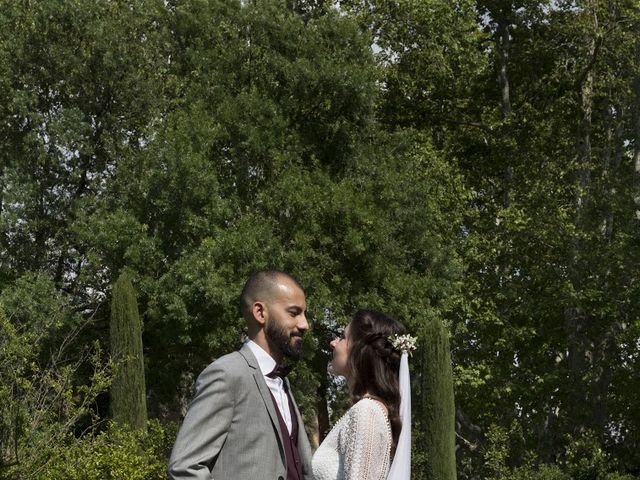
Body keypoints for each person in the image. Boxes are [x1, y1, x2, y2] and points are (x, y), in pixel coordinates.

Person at [169, 270, 314, 480]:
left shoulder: (283, 382)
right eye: (294, 313)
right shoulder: (226, 374)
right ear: (260, 312)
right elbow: (185, 468)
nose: (304, 324)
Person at [312, 309, 414, 480]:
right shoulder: (369, 410)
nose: (333, 343)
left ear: (360, 351)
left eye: (343, 338)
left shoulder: (367, 413)